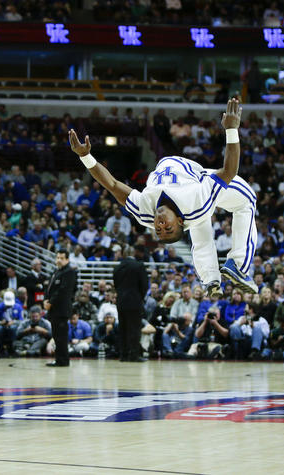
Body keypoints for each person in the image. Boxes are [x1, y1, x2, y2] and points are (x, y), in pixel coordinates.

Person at [70, 98, 258, 297]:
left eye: (158, 230)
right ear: (179, 221)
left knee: (200, 229)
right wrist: (231, 129)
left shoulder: (144, 212)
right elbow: (228, 171)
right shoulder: (195, 200)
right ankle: (239, 264)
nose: (160, 224)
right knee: (247, 201)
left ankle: (210, 279)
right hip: (197, 178)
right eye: (167, 227)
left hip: (184, 195)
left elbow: (113, 184)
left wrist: (85, 157)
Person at [113, 246, 149, 362]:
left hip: (121, 301)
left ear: (123, 254)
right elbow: (144, 285)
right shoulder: (139, 266)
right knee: (134, 328)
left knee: (123, 328)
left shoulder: (117, 267)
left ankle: (123, 355)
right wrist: (140, 298)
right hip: (134, 301)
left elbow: (116, 285)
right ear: (133, 253)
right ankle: (133, 355)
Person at [44, 250, 77, 367]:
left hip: (61, 309)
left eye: (62, 258)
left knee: (61, 336)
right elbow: (49, 288)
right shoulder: (56, 271)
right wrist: (46, 300)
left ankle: (63, 360)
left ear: (67, 259)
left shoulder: (69, 272)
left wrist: (51, 302)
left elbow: (62, 291)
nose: (58, 260)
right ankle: (59, 359)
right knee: (56, 336)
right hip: (53, 309)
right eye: (57, 257)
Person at [0, 290, 24, 356]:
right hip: (2, 325)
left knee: (12, 328)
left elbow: (22, 321)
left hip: (14, 326)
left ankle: (12, 349)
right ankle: (0, 350)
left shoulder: (18, 307)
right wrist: (1, 322)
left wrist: (13, 322)